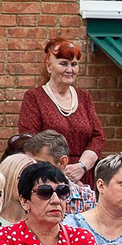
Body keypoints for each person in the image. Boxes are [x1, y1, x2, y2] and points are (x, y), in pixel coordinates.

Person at [15, 38, 104, 180]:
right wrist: (61, 172)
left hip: (84, 175)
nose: (70, 69)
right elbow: (30, 142)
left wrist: (81, 166)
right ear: (49, 67)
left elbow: (98, 137)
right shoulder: (34, 97)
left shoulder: (84, 97)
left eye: (74, 64)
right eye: (63, 63)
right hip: (48, 176)